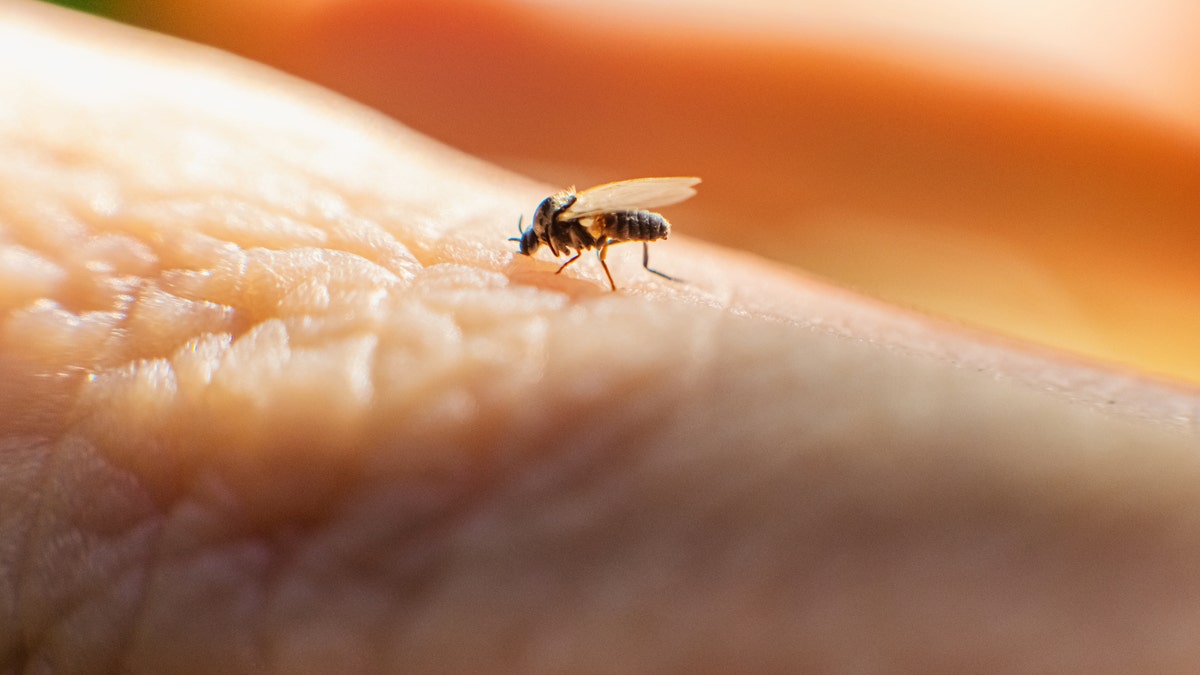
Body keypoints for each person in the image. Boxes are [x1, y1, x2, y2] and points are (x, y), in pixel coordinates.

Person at [3, 1, 1200, 672]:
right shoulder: (554, 225)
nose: (541, 253)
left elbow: (620, 219)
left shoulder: (579, 226)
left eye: (541, 246)